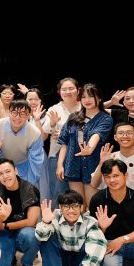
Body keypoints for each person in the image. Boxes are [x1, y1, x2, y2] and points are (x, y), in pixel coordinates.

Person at [35, 191, 106, 266]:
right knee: (47, 237)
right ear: (60, 207)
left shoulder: (90, 222)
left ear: (81, 207)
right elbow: (40, 236)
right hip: (60, 264)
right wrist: (46, 222)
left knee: (97, 247)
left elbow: (97, 249)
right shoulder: (54, 217)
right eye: (66, 206)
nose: (71, 210)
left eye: (75, 206)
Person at [56, 83, 113, 206]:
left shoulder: (105, 118)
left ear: (99, 98)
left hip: (93, 166)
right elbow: (64, 143)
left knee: (92, 206)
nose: (87, 100)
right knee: (77, 205)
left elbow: (97, 134)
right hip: (73, 165)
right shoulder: (73, 117)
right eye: (83, 97)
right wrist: (60, 165)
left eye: (91, 96)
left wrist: (89, 149)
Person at [0, 159, 41, 266]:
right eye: (0, 174)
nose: (5, 176)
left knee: (32, 236)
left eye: (8, 171)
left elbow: (31, 221)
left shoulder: (30, 189)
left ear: (16, 171)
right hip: (3, 233)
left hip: (23, 230)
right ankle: (10, 255)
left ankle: (27, 264)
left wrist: (6, 225)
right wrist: (4, 216)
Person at [88, 121, 134, 202]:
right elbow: (94, 184)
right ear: (115, 137)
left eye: (129, 133)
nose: (125, 136)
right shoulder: (109, 158)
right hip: (111, 206)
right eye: (121, 133)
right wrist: (102, 163)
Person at [40, 77, 80, 206]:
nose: (67, 92)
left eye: (71, 88)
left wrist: (65, 134)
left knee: (79, 194)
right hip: (57, 155)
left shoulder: (84, 107)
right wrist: (52, 123)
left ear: (78, 90)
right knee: (58, 192)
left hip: (81, 155)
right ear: (59, 92)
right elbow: (46, 130)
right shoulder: (55, 108)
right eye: (64, 89)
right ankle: (56, 218)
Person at [0, 99, 45, 187]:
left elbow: (36, 161)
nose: (17, 117)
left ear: (28, 115)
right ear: (9, 113)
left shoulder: (35, 133)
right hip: (2, 169)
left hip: (24, 169)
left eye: (23, 114)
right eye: (14, 112)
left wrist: (28, 184)